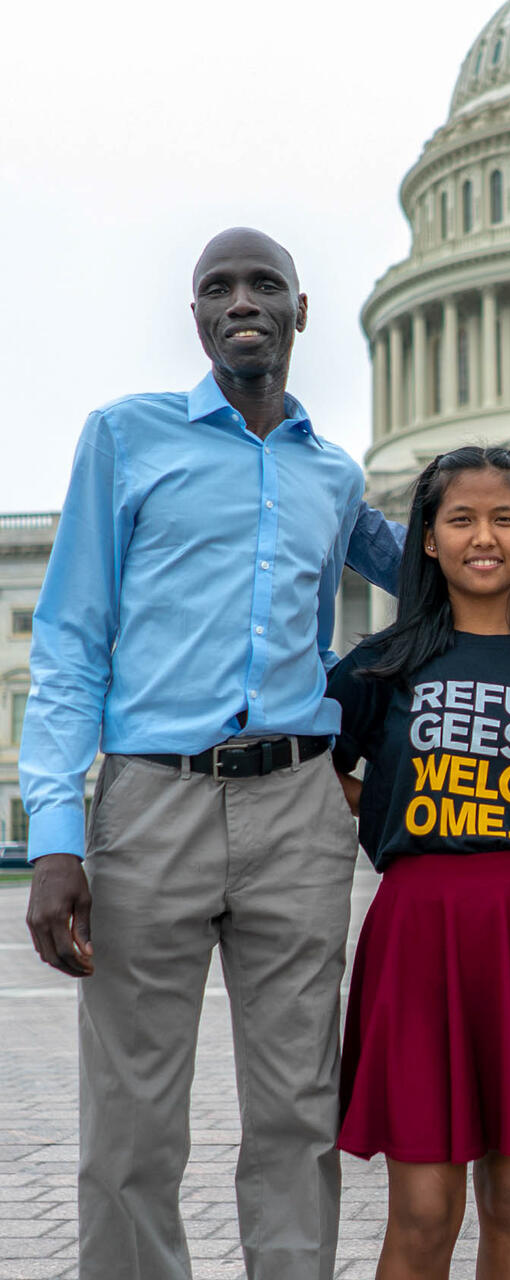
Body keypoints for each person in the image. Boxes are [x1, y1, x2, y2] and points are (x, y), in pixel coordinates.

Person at [20, 227, 405, 1280]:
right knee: (132, 1121)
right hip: (153, 800)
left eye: (263, 283)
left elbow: (444, 574)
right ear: (196, 317)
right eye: (217, 287)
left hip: (295, 808)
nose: (242, 300)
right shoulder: (125, 438)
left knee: (297, 1109)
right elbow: (67, 639)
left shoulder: (332, 473)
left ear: (300, 310)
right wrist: (55, 833)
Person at [325, 445, 510, 1280]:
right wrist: (386, 816)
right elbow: (321, 765)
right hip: (418, 927)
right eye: (460, 518)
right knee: (422, 1208)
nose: (482, 537)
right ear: (426, 539)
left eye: (504, 519)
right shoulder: (379, 665)